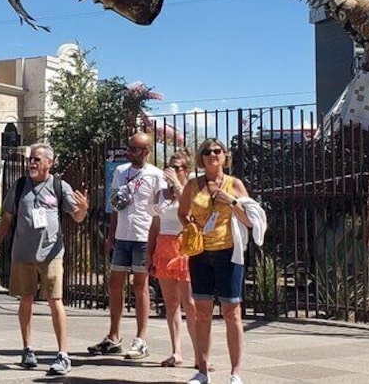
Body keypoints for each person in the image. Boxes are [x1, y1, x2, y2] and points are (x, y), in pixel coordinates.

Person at [0, 143, 89, 376]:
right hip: (22, 253)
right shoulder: (20, 186)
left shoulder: (59, 186)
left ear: (49, 163)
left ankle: (63, 354)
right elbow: (7, 219)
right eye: (31, 159)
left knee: (55, 300)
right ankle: (27, 349)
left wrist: (83, 208)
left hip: (52, 253)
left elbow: (78, 217)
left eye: (37, 160)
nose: (32, 163)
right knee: (26, 300)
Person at [178, 138, 267, 384]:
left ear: (225, 156)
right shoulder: (193, 185)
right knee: (202, 312)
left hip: (228, 253)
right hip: (200, 254)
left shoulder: (234, 184)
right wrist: (191, 228)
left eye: (217, 151)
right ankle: (203, 371)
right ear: (201, 158)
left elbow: (250, 220)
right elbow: (182, 213)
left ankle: (235, 372)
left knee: (232, 312)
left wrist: (231, 201)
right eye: (207, 152)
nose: (212, 155)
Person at [89, 132, 167, 360]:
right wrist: (111, 234)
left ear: (147, 151)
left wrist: (156, 240)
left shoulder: (156, 175)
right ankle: (113, 337)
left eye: (136, 149)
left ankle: (141, 339)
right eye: (129, 148)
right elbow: (115, 206)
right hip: (123, 235)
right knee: (115, 284)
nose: (131, 153)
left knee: (140, 285)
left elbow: (160, 208)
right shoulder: (121, 172)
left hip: (143, 236)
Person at [146, 150, 200, 368]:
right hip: (164, 246)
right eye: (169, 166)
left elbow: (193, 214)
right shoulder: (160, 193)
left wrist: (178, 186)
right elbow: (155, 224)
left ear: (185, 170)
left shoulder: (191, 189)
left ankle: (199, 354)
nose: (171, 171)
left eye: (177, 167)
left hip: (184, 245)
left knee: (191, 303)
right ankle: (176, 351)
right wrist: (149, 254)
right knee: (171, 303)